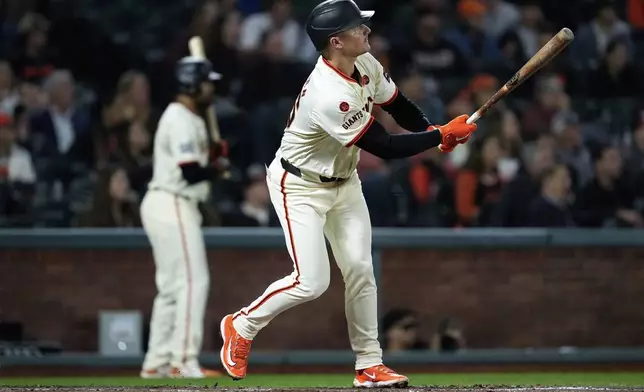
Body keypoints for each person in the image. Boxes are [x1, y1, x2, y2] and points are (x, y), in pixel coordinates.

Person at [218, 0, 476, 388]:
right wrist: (439, 136)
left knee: (360, 270)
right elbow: (385, 146)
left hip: (344, 181)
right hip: (300, 185)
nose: (367, 31)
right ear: (336, 41)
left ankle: (369, 364)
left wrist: (434, 131)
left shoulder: (365, 63)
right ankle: (241, 324)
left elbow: (398, 106)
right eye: (359, 28)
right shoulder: (328, 92)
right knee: (311, 281)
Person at [139, 56, 227, 379]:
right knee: (193, 281)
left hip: (168, 202)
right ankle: (183, 360)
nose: (211, 89)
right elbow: (190, 173)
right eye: (207, 83)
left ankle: (157, 361)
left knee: (172, 287)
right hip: (173, 200)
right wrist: (216, 169)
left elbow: (196, 164)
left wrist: (213, 157)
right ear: (193, 84)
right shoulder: (179, 118)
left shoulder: (190, 117)